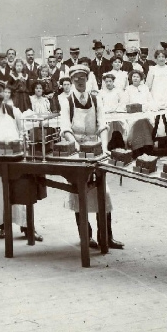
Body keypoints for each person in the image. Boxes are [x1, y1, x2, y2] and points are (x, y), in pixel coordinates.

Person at [59, 65, 124, 250]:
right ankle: (86, 237)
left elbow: (102, 125)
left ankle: (107, 237)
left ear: (87, 79)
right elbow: (65, 129)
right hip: (76, 150)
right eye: (76, 78)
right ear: (71, 81)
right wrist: (79, 148)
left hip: (96, 149)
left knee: (103, 193)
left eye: (83, 77)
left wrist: (103, 148)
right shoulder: (67, 101)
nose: (80, 81)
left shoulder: (96, 98)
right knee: (80, 193)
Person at [0, 80, 43, 242]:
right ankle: (4, 227)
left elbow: (22, 133)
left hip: (16, 159)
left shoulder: (13, 111)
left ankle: (28, 227)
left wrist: (23, 146)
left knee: (23, 191)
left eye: (0, 91)